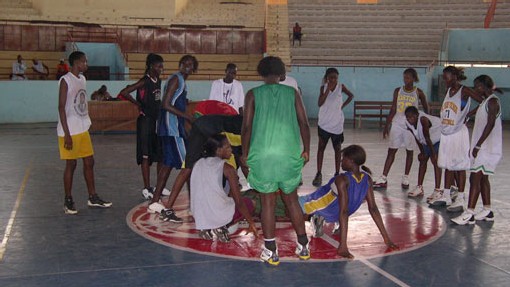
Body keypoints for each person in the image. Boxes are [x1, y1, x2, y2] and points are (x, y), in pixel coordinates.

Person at [241, 56, 311, 265]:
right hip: (288, 153)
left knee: (267, 202)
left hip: (262, 155)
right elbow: (304, 123)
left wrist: (244, 154)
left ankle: (271, 250)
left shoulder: (253, 94)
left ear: (261, 73)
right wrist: (306, 149)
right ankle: (304, 246)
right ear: (281, 74)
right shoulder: (292, 93)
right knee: (291, 200)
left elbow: (246, 127)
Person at [299, 145, 398, 258]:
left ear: (351, 161)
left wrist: (343, 246)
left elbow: (345, 211)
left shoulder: (343, 179)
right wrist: (387, 239)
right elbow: (373, 209)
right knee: (287, 210)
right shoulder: (367, 179)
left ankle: (312, 217)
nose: (341, 161)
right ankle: (315, 218)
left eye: (343, 158)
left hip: (318, 204)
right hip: (328, 209)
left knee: (289, 212)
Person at [57, 51, 112, 214]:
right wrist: (66, 133)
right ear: (76, 63)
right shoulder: (66, 80)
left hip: (82, 128)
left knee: (89, 162)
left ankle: (93, 197)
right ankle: (68, 200)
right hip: (69, 130)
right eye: (84, 61)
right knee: (71, 164)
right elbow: (61, 107)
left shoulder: (82, 79)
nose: (86, 64)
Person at [147, 55, 198, 217]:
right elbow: (166, 104)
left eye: (190, 65)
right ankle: (192, 203)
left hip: (172, 127)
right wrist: (186, 116)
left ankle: (156, 201)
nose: (187, 67)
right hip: (172, 127)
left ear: (194, 69)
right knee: (188, 164)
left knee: (168, 164)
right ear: (180, 65)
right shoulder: (177, 79)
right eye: (185, 64)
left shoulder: (179, 80)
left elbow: (174, 102)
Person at [118, 54, 171, 199]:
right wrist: (138, 104)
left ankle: (160, 186)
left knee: (160, 154)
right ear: (152, 66)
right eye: (159, 66)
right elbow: (124, 92)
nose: (161, 68)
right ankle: (146, 188)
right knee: (146, 155)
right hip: (146, 122)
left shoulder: (158, 81)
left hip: (156, 121)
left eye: (162, 65)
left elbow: (156, 100)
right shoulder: (145, 81)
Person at [430, 66, 483, 211]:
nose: (444, 80)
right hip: (447, 133)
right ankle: (446, 196)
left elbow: (483, 101)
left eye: (446, 77)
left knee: (459, 166)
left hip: (458, 133)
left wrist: (469, 114)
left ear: (454, 76)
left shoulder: (464, 90)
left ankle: (460, 197)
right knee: (448, 165)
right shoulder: (448, 91)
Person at [452, 75, 502, 225]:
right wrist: (469, 114)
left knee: (475, 178)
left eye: (476, 86)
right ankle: (487, 210)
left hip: (487, 147)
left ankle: (469, 213)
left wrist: (478, 145)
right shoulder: (486, 101)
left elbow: (491, 124)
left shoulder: (492, 101)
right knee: (483, 178)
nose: (475, 89)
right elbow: (481, 108)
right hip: (485, 147)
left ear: (483, 86)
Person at [191, 134, 258, 242]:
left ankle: (207, 228)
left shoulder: (197, 163)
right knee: (251, 203)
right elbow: (239, 202)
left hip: (199, 216)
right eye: (227, 147)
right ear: (218, 150)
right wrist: (251, 223)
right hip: (218, 215)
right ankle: (222, 226)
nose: (231, 150)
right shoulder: (228, 168)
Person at [373, 68, 429, 189]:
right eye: (404, 77)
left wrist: (425, 122)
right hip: (397, 123)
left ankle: (406, 177)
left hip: (411, 125)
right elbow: (393, 108)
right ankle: (384, 177)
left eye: (408, 77)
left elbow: (425, 107)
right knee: (391, 150)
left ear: (414, 78)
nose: (406, 80)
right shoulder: (398, 91)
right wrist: (387, 125)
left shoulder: (418, 92)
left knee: (410, 151)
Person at [312, 68, 354, 187]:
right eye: (331, 77)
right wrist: (327, 91)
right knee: (321, 148)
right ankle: (319, 173)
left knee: (337, 148)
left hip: (337, 123)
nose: (333, 79)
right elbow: (320, 103)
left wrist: (342, 106)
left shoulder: (341, 87)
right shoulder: (323, 88)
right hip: (324, 123)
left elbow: (351, 96)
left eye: (335, 77)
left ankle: (337, 173)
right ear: (327, 78)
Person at [404, 106, 443, 199]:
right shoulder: (408, 123)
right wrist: (422, 152)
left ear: (417, 115)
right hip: (427, 141)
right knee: (422, 160)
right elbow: (417, 136)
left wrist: (433, 154)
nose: (410, 120)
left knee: (435, 162)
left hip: (438, 138)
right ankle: (419, 187)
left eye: (412, 117)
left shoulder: (423, 120)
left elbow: (427, 136)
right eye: (408, 117)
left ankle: (437, 190)